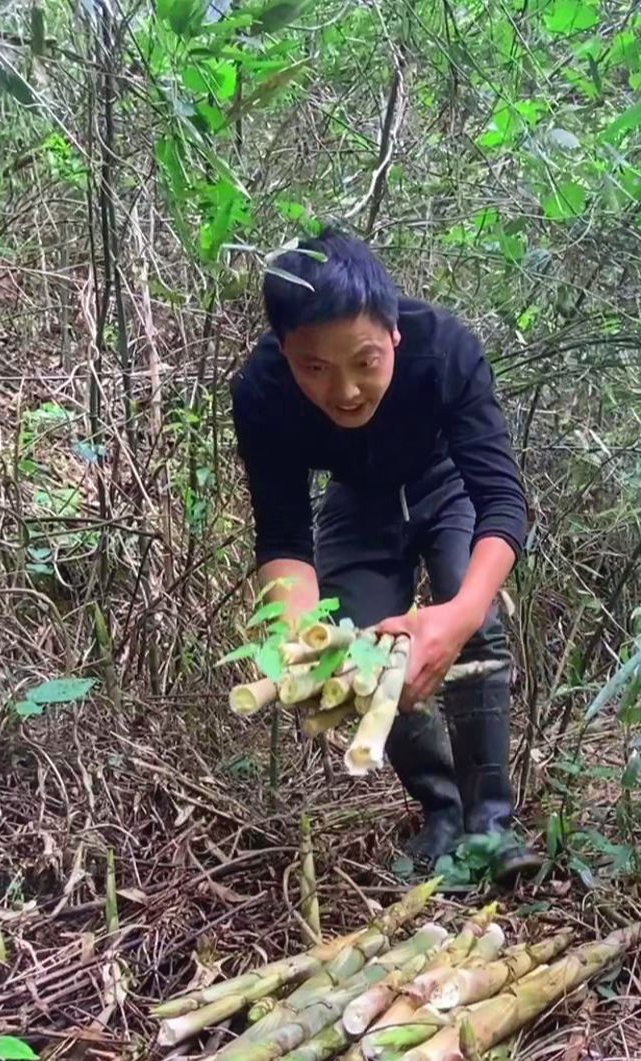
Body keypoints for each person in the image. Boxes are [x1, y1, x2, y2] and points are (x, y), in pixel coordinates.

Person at [229, 225, 542, 883]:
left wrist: (457, 616)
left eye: (364, 361)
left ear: (394, 331)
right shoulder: (261, 391)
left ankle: (492, 824)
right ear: (285, 351)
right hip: (357, 504)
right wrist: (301, 642)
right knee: (365, 651)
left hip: (444, 481)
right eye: (314, 367)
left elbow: (502, 502)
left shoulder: (444, 348)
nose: (343, 390)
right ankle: (442, 809)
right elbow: (284, 538)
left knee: (471, 611)